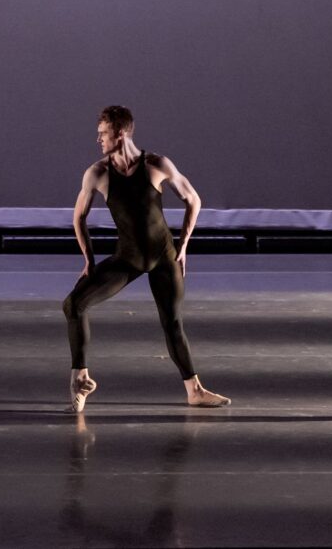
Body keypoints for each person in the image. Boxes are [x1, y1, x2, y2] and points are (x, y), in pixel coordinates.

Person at [62, 105, 231, 413]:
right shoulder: (97, 173)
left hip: (164, 257)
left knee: (173, 323)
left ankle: (195, 391)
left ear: (121, 133)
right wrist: (89, 260)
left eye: (103, 134)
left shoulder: (156, 164)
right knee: (74, 304)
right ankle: (81, 379)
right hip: (128, 259)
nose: (98, 140)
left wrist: (183, 245)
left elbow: (193, 199)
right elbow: (78, 218)